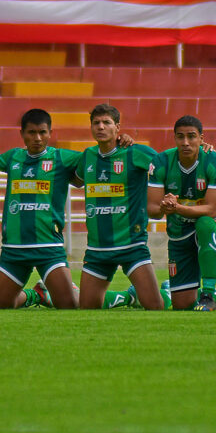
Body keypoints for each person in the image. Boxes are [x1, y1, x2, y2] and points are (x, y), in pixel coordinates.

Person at [148, 115, 216, 311]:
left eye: (192, 136)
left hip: (213, 226)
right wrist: (164, 206)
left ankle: (208, 295)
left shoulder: (214, 161)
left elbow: (211, 210)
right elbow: (152, 210)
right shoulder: (161, 162)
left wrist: (177, 207)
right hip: (179, 233)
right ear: (174, 138)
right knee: (182, 304)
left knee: (204, 223)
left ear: (201, 138)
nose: (186, 142)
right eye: (180, 137)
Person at [0, 108, 82, 309]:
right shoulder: (13, 157)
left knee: (68, 306)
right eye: (32, 132)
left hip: (48, 248)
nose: (37, 138)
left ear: (50, 133)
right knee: (0, 307)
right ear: (22, 134)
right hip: (14, 249)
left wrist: (121, 141)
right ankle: (36, 295)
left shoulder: (62, 158)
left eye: (42, 132)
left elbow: (97, 158)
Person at [74, 103, 163, 310]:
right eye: (96, 123)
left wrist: (205, 151)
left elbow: (168, 164)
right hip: (98, 249)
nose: (101, 127)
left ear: (118, 127)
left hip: (131, 245)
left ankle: (165, 291)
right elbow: (75, 179)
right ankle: (127, 297)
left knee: (155, 307)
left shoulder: (135, 153)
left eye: (106, 122)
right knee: (86, 308)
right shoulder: (87, 156)